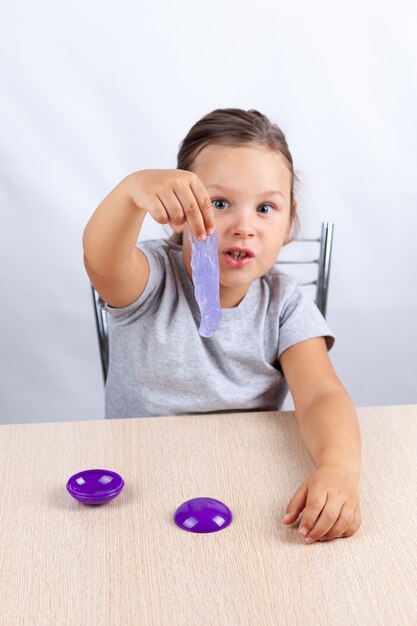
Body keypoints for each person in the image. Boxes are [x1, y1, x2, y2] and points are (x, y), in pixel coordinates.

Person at [83, 108, 361, 544]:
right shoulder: (152, 278)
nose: (244, 226)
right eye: (219, 203)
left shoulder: (284, 303)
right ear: (180, 209)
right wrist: (130, 193)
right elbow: (101, 261)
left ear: (289, 222)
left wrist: (338, 469)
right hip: (137, 482)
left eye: (266, 207)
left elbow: (322, 396)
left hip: (243, 484)